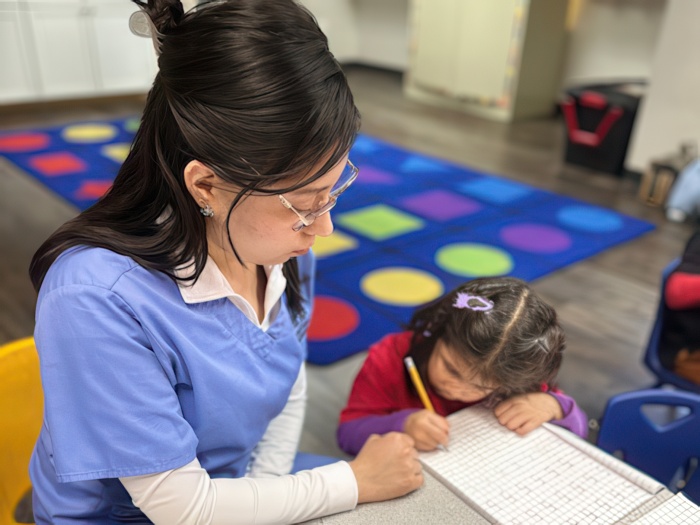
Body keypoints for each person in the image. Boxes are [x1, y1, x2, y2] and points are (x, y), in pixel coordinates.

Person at [27, 0, 422, 523]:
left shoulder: (281, 248)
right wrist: (352, 481)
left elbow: (288, 387)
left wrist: (268, 488)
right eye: (304, 204)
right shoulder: (96, 297)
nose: (324, 228)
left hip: (238, 489)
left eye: (333, 193)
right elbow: (183, 508)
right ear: (206, 185)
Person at [337, 277, 589, 455]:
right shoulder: (389, 358)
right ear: (437, 331)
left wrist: (556, 406)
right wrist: (402, 425)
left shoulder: (516, 376)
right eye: (451, 369)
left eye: (480, 386)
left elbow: (580, 431)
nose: (458, 389)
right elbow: (347, 435)